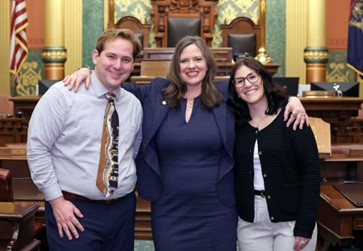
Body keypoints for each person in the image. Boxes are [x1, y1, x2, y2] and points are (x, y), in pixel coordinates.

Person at [63, 35, 308, 251]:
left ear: (207, 63)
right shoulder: (157, 92)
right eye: (184, 61)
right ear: (176, 66)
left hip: (217, 209)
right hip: (169, 209)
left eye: (198, 59)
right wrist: (87, 70)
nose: (191, 66)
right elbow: (112, 81)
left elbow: (259, 92)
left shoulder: (226, 94)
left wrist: (292, 100)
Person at [27, 28, 143, 251]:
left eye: (126, 59)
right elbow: (37, 149)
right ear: (95, 56)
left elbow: (131, 150)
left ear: (133, 64)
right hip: (73, 211)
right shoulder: (63, 95)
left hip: (122, 211)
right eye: (111, 56)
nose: (118, 65)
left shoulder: (133, 104)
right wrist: (56, 202)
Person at [227, 57, 320, 251]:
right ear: (234, 87)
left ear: (264, 78)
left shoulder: (291, 117)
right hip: (251, 222)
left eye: (252, 77)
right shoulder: (235, 123)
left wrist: (305, 225)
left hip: (291, 221)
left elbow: (311, 172)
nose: (247, 84)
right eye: (240, 80)